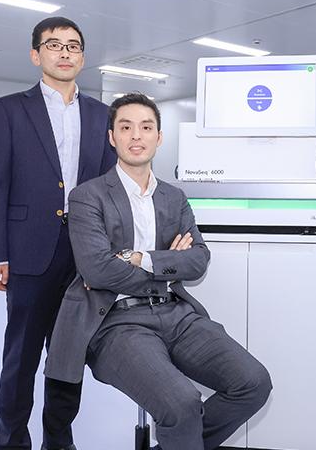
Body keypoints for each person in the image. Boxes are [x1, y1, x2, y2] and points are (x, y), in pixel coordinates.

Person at [45, 93, 272, 450]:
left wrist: (141, 259)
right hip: (116, 322)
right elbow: (98, 271)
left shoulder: (174, 198)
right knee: (181, 404)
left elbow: (198, 259)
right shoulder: (88, 196)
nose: (137, 136)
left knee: (253, 382)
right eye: (126, 127)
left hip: (177, 314)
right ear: (112, 137)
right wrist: (167, 265)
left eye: (146, 127)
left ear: (159, 137)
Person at [0, 16, 116, 450]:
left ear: (83, 57)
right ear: (36, 54)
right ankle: (11, 440)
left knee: (67, 356)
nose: (64, 52)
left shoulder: (102, 115)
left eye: (73, 46)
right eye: (54, 45)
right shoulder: (9, 109)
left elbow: (107, 187)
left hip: (82, 255)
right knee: (20, 356)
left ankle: (59, 440)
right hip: (28, 251)